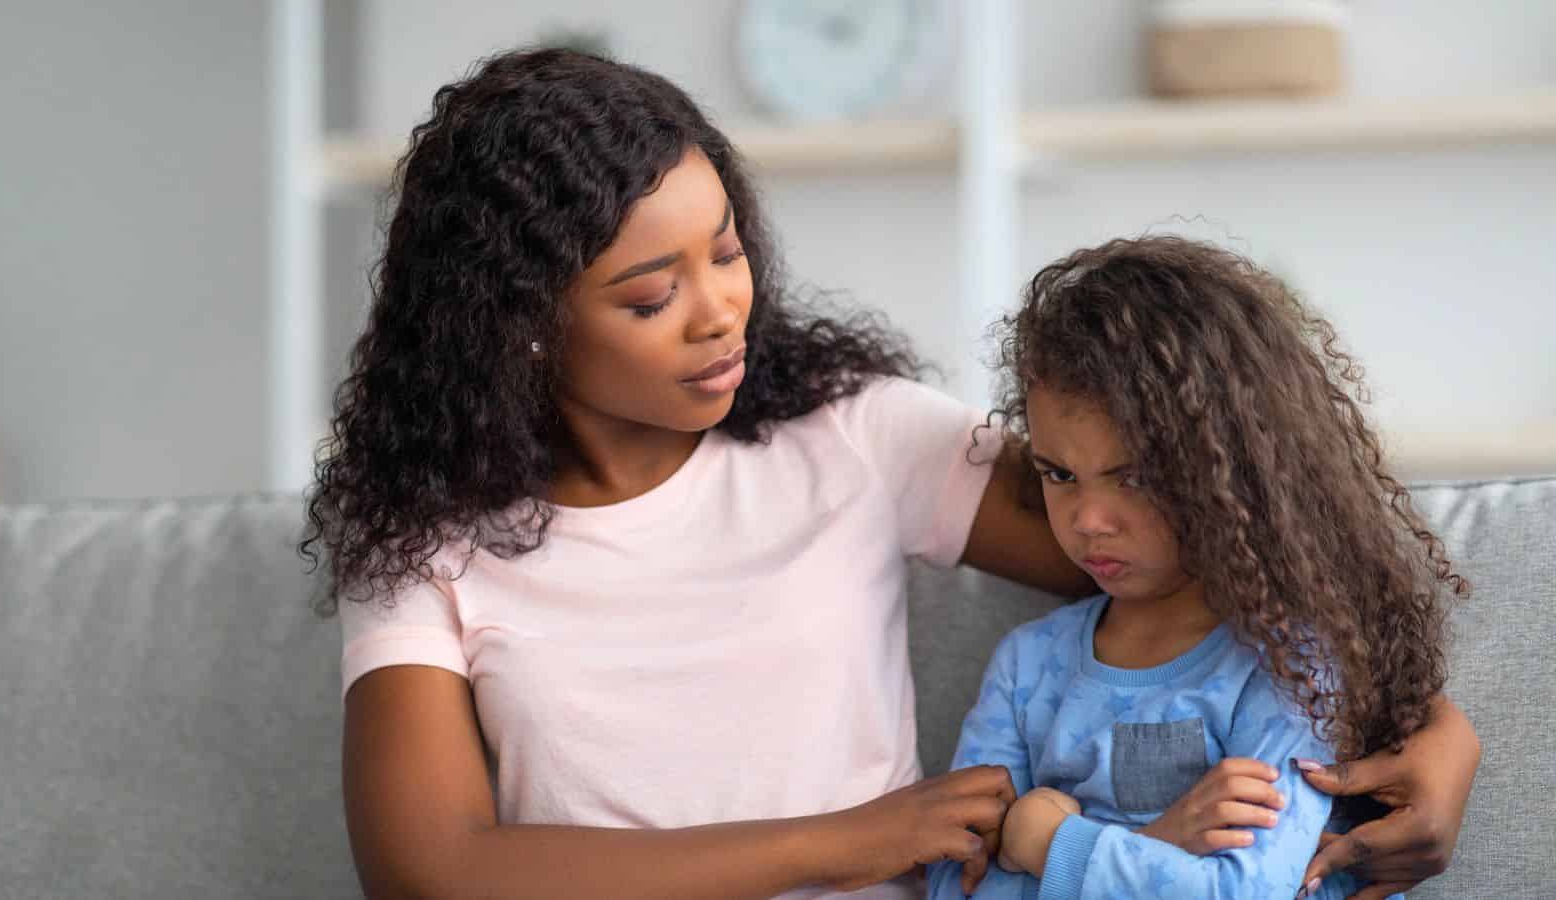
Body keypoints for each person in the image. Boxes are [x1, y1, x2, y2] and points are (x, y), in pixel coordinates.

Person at [301, 49, 1479, 900]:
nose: (721, 314)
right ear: (515, 329)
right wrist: (848, 840)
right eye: (652, 296)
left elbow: (1205, 541)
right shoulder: (426, 542)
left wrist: (1432, 727)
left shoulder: (854, 435)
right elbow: (434, 868)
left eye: (727, 253)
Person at [927, 236, 1471, 900]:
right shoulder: (1025, 668)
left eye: (1135, 479)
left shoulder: (1291, 664)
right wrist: (1158, 841)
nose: (1089, 518)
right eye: (1059, 474)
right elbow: (956, 882)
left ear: (1235, 474)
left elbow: (1248, 892)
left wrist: (1043, 841)